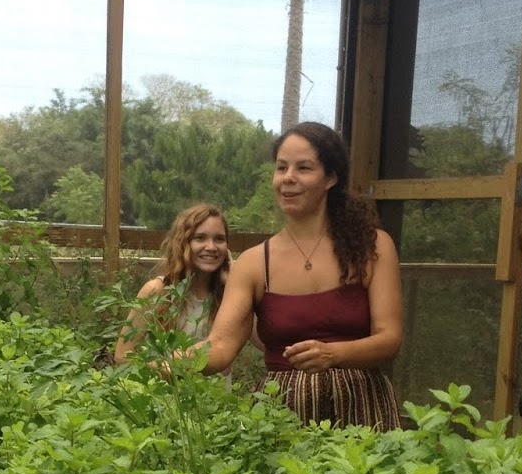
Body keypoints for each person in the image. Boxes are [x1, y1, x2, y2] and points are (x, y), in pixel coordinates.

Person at [196, 122, 402, 429]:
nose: (288, 178)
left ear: (330, 178)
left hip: (362, 408)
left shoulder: (373, 246)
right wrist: (168, 360)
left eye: (303, 168)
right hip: (282, 412)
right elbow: (220, 348)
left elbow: (390, 339)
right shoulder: (253, 263)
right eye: (281, 168)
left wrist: (334, 354)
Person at [113, 203, 230, 366]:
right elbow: (122, 356)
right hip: (169, 389)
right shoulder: (157, 291)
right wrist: (166, 367)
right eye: (200, 238)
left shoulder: (230, 294)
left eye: (219, 239)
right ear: (182, 243)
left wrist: (234, 283)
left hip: (218, 391)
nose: (211, 247)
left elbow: (260, 340)